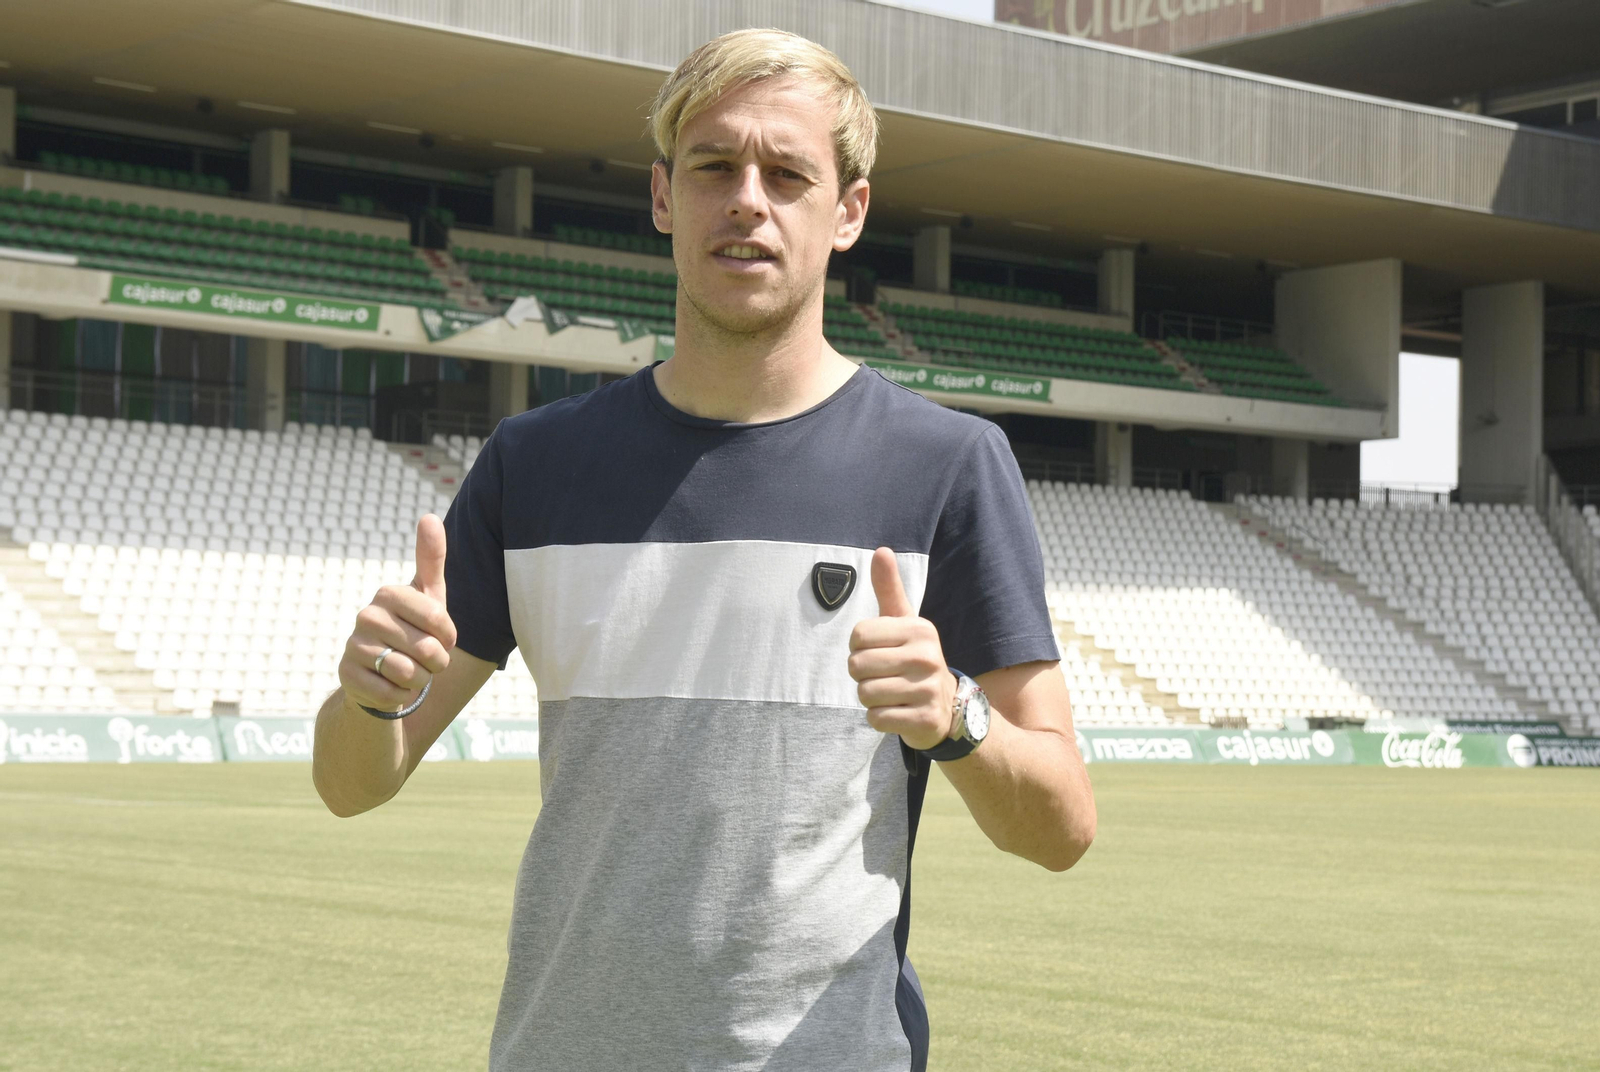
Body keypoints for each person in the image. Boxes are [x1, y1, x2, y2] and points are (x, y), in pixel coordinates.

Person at [312, 27, 1095, 1072]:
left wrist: (953, 715)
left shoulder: (947, 463)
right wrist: (369, 699)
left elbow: (1061, 826)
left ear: (848, 211)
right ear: (661, 197)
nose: (747, 200)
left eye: (787, 173)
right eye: (713, 167)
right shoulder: (532, 464)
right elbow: (353, 782)